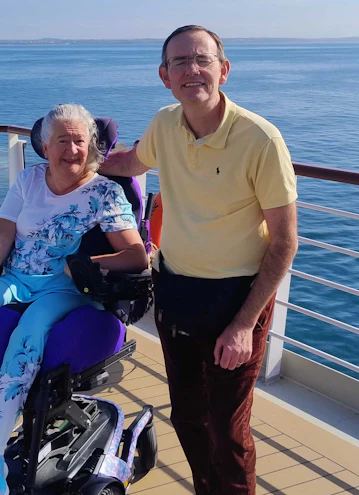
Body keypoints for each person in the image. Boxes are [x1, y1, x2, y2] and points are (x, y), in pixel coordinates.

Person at [100, 25, 298, 495]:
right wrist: (75, 162)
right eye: (180, 62)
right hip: (175, 289)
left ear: (223, 70)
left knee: (227, 430)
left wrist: (244, 325)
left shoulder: (261, 139)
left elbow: (285, 242)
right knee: (188, 415)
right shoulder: (165, 123)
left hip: (237, 299)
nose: (192, 70)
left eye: (202, 59)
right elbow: (131, 163)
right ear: (165, 76)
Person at [0, 103, 148, 495]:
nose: (72, 150)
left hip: (66, 288)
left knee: (29, 330)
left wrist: (85, 264)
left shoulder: (104, 193)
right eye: (62, 141)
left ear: (91, 146)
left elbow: (136, 256)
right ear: (45, 147)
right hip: (18, 277)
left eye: (80, 141)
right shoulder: (28, 180)